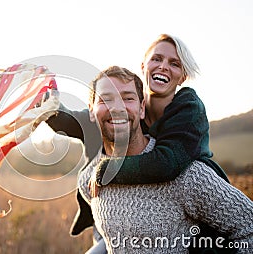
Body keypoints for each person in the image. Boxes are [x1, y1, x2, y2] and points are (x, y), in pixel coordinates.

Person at [46, 33, 233, 253]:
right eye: (157, 59)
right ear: (144, 66)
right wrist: (51, 109)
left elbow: (167, 162)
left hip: (194, 212)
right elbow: (84, 123)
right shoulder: (130, 105)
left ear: (182, 76)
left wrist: (108, 170)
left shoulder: (189, 109)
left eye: (174, 63)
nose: (163, 66)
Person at [78, 65, 253, 253]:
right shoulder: (89, 178)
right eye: (106, 99)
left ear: (142, 108)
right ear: (91, 110)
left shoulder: (185, 175)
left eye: (128, 98)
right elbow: (104, 233)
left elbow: (249, 227)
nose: (117, 107)